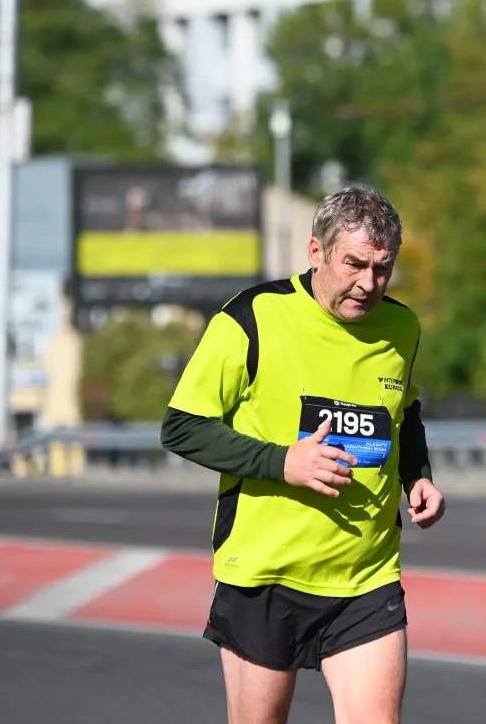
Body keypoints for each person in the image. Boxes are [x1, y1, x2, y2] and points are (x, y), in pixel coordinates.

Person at [160, 183, 445, 724]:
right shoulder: (252, 317)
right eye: (354, 264)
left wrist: (418, 477)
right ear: (316, 252)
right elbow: (182, 428)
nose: (369, 284)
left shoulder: (401, 326)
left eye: (383, 269)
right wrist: (282, 462)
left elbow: (403, 414)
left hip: (366, 577)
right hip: (265, 575)